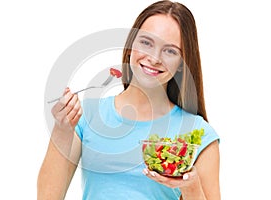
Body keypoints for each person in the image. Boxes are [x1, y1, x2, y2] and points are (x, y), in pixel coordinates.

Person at [37, 1, 220, 199]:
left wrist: (190, 187)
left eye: (170, 51)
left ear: (182, 64)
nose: (154, 58)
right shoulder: (86, 116)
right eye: (147, 43)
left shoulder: (198, 133)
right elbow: (48, 196)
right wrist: (62, 130)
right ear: (131, 45)